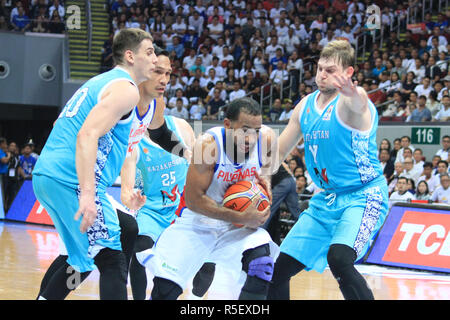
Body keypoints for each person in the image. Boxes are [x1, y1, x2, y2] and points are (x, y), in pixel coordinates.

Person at [32, 28, 158, 300]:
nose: (155, 59)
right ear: (130, 56)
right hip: (71, 180)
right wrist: (88, 194)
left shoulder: (99, 82)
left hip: (46, 174)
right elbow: (86, 134)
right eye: (149, 52)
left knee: (81, 260)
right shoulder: (126, 89)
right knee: (112, 257)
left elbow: (60, 124)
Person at [268, 40, 389, 300]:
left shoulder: (351, 104)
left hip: (364, 195)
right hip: (326, 200)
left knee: (340, 259)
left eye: (331, 70)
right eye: (320, 68)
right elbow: (278, 151)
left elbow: (359, 103)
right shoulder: (305, 106)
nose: (322, 74)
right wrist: (252, 173)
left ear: (348, 74)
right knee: (277, 271)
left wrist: (353, 93)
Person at [140, 97, 280, 300]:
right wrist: (241, 217)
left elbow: (267, 170)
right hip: (198, 222)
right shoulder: (208, 145)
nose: (250, 139)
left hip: (236, 227)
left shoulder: (267, 139)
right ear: (227, 125)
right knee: (165, 291)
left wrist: (265, 186)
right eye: (244, 130)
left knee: (262, 265)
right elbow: (194, 200)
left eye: (255, 131)